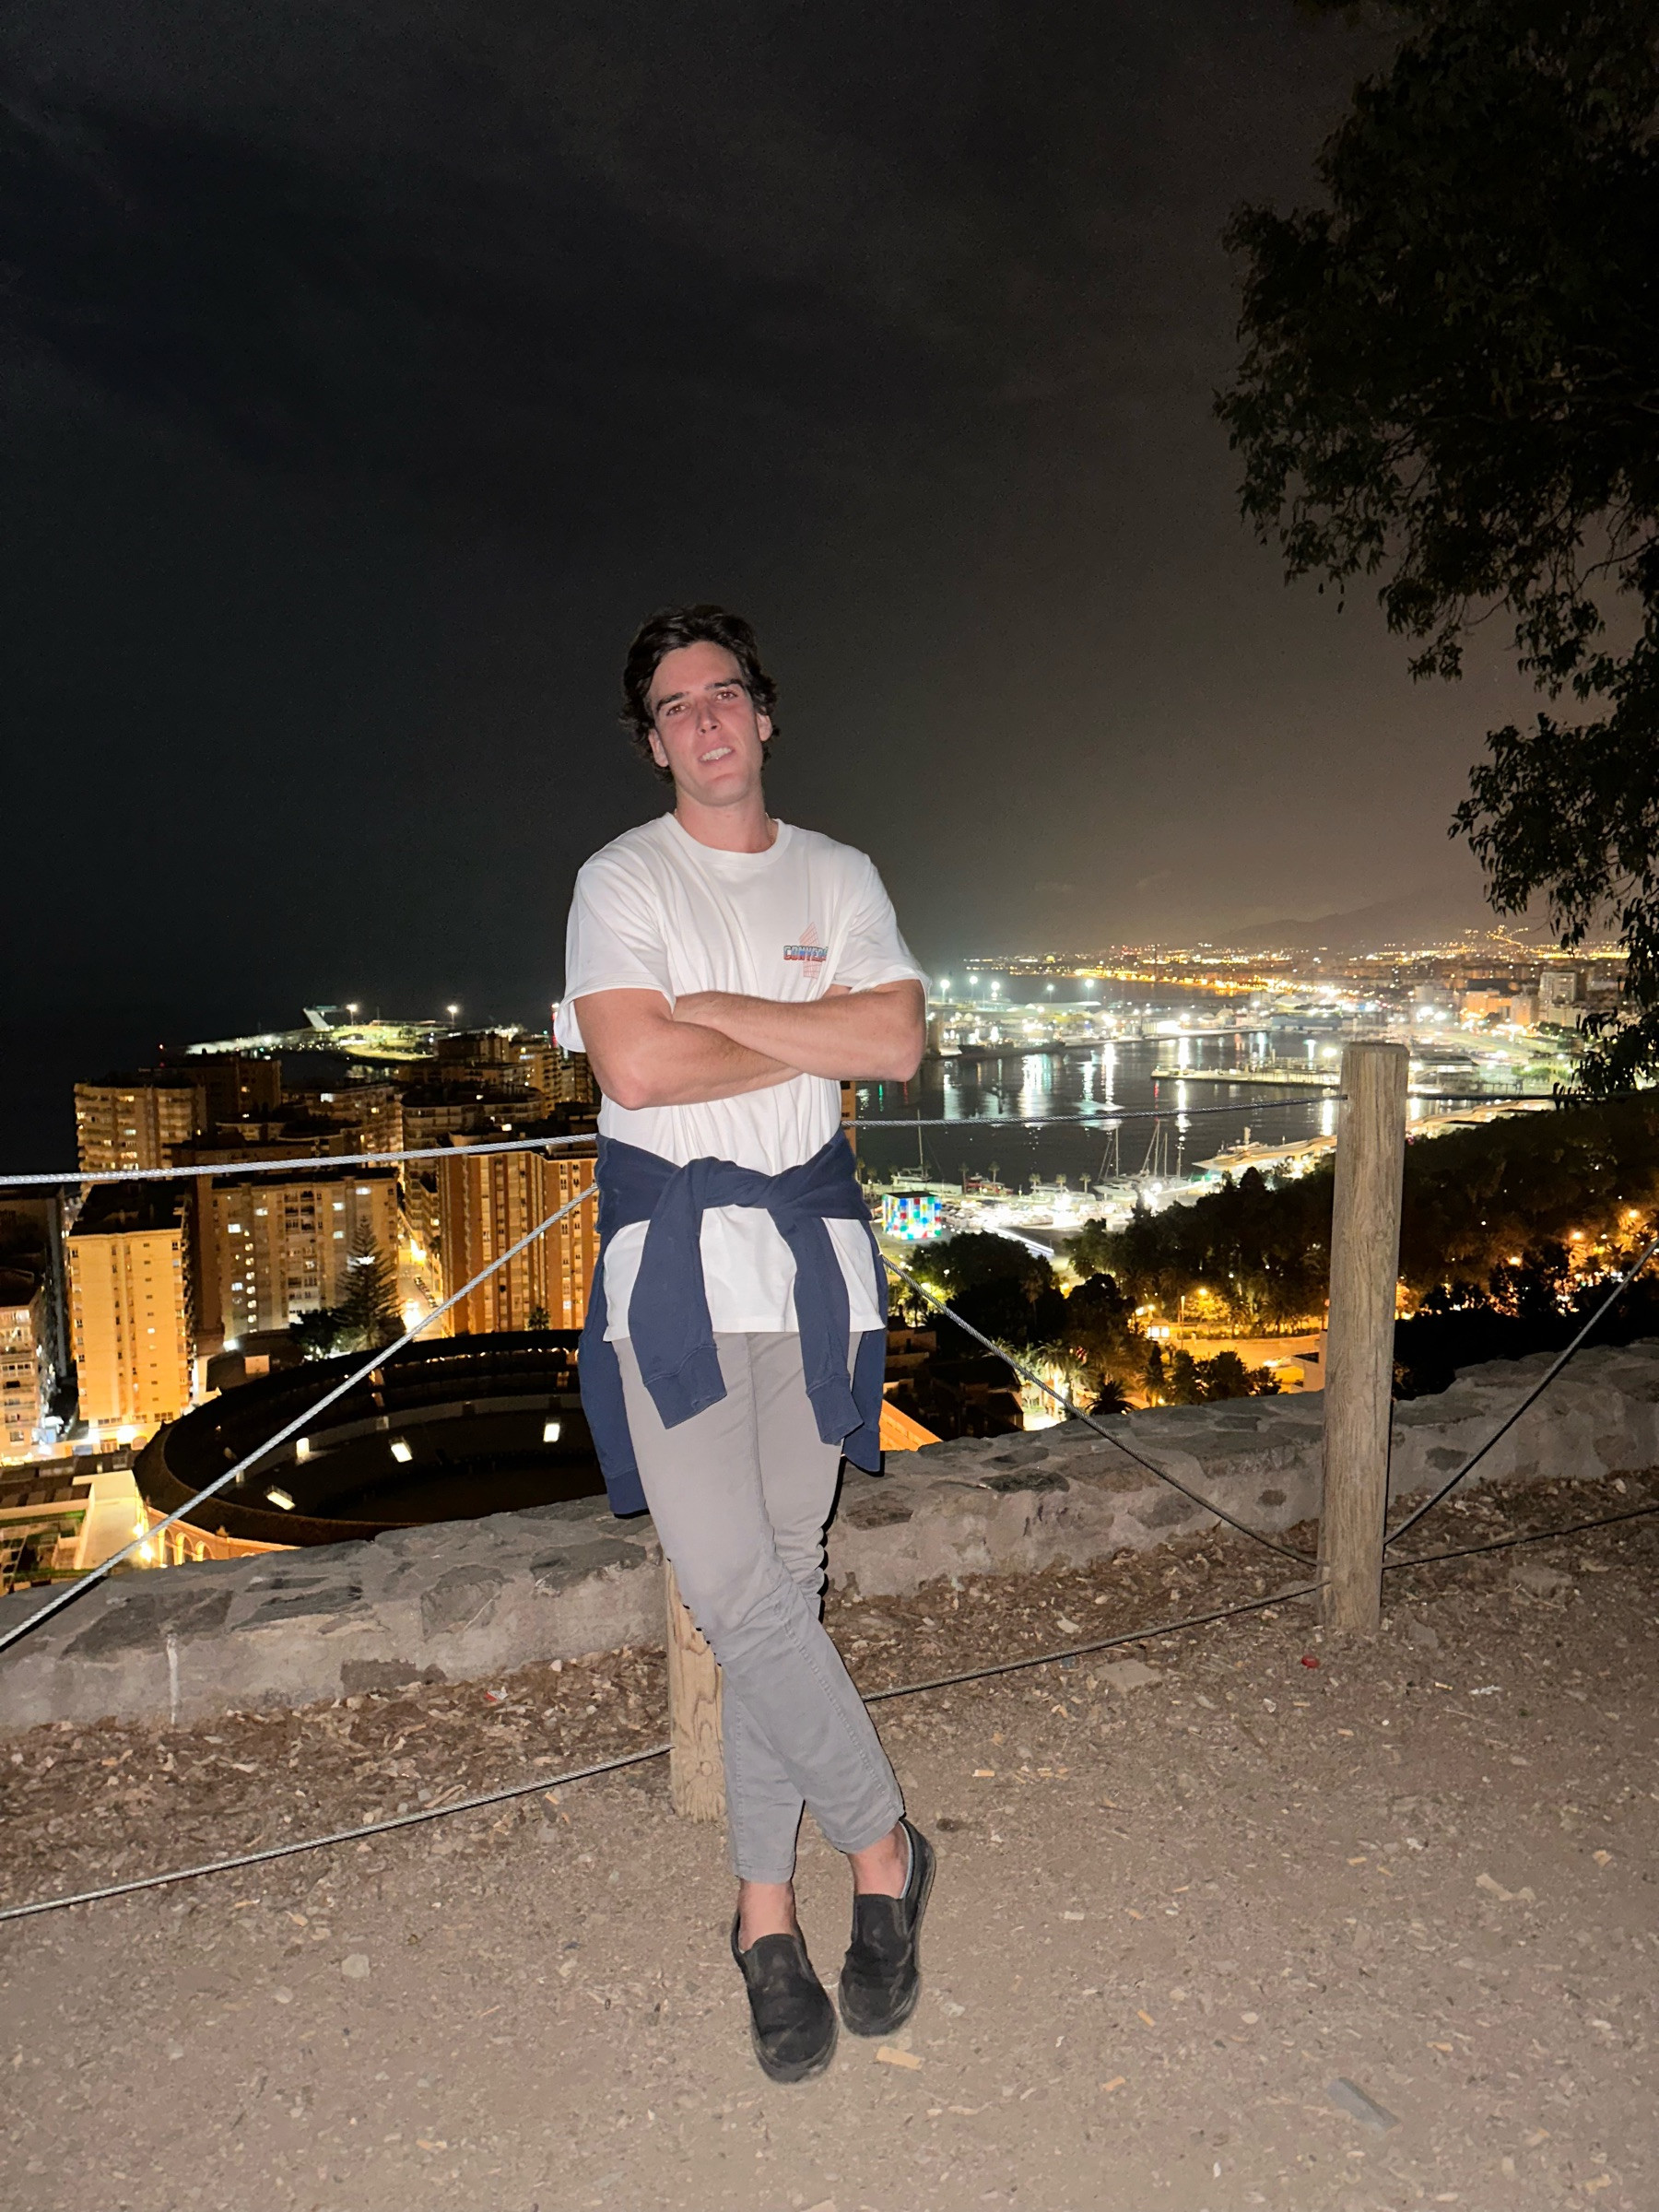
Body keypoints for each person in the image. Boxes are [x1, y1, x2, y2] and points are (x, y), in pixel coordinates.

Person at [555, 605, 934, 2084]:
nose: (705, 719)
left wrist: (721, 1007)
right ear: (654, 743)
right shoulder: (620, 880)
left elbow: (893, 1045)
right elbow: (636, 1066)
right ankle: (884, 1846)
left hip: (812, 1267)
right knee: (731, 1587)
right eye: (675, 706)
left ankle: (764, 1914)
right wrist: (800, 1021)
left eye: (724, 694)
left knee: (785, 1576)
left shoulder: (840, 874)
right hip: (674, 1274)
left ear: (763, 715)